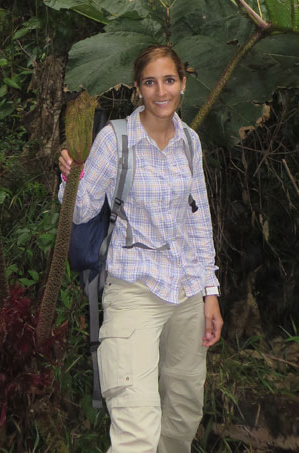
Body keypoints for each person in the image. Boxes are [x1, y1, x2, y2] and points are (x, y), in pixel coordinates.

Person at [58, 45, 222, 453]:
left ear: (183, 83)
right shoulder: (115, 140)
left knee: (183, 416)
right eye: (150, 82)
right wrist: (71, 174)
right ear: (138, 89)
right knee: (137, 433)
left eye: (169, 80)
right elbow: (79, 211)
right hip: (133, 290)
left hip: (186, 291)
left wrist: (210, 292)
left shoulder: (190, 141)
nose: (161, 91)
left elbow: (198, 220)